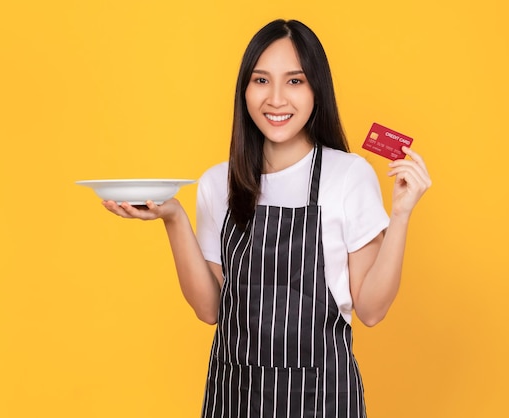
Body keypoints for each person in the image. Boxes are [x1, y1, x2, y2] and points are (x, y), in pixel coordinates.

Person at [104, 18, 431, 418]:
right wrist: (174, 218)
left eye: (294, 81)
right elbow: (210, 310)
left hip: (323, 400)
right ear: (245, 90)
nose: (276, 99)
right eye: (261, 80)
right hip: (235, 398)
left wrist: (401, 215)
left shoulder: (347, 175)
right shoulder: (216, 183)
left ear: (316, 90)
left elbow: (372, 310)